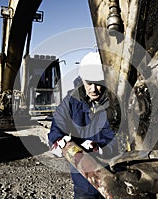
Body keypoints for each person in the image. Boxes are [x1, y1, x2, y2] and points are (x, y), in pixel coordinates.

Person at [48, 51, 121, 199]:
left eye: (98, 84)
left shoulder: (116, 103)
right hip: (84, 179)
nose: (93, 89)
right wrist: (57, 140)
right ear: (82, 79)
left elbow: (122, 137)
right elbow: (58, 123)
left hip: (114, 174)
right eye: (89, 83)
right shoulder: (71, 101)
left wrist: (100, 148)